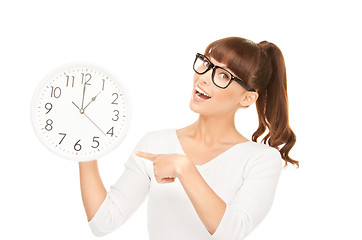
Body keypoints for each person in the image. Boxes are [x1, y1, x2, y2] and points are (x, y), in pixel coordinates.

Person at [79, 36, 298, 240]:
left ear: (247, 97)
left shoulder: (261, 159)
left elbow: (231, 231)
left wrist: (184, 168)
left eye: (223, 75)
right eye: (207, 64)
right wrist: (83, 146)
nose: (203, 78)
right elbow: (103, 223)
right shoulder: (155, 143)